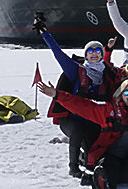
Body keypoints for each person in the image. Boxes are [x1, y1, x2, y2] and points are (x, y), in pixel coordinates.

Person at [35, 16, 121, 179]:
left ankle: (84, 158)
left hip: (93, 119)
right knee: (78, 131)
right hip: (71, 118)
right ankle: (73, 166)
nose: (94, 54)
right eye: (90, 51)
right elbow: (58, 54)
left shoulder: (107, 73)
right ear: (86, 55)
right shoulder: (77, 70)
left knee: (94, 152)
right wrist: (45, 34)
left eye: (97, 51)